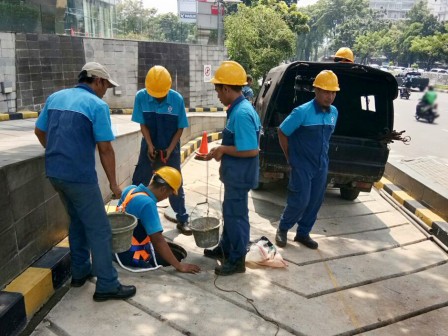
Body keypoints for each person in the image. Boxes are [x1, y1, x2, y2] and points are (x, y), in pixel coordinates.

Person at [34, 62, 136, 302]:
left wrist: (56, 152)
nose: (105, 92)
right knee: (99, 229)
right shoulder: (97, 105)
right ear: (97, 81)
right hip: (79, 177)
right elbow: (105, 149)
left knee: (77, 221)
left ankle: (80, 272)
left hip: (55, 174)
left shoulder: (55, 97)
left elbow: (39, 132)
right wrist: (113, 184)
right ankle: (107, 285)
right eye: (106, 87)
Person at [203, 61, 262, 276]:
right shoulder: (237, 109)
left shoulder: (242, 113)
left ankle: (237, 260)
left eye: (218, 89)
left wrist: (224, 150)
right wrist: (220, 150)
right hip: (234, 175)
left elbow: (251, 150)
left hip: (240, 176)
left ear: (227, 88)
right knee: (230, 213)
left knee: (236, 217)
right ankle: (225, 249)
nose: (217, 94)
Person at [275, 70, 340, 249]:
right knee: (300, 200)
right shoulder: (302, 112)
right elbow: (282, 131)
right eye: (326, 92)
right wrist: (289, 156)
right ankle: (282, 228)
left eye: (333, 92)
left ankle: (303, 233)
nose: (330, 96)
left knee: (315, 201)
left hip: (321, 165)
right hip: (302, 164)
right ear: (316, 90)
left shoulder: (334, 112)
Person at [131, 65, 191, 236]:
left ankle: (182, 218)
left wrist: (170, 150)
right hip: (148, 147)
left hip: (170, 147)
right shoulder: (141, 97)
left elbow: (180, 128)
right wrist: (150, 145)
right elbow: (143, 124)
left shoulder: (176, 99)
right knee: (139, 181)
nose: (158, 98)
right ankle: (133, 216)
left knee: (174, 183)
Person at [114, 167, 201, 274]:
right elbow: (158, 240)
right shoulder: (148, 204)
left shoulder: (130, 190)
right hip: (130, 257)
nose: (166, 197)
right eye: (168, 194)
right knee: (157, 267)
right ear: (163, 189)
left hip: (115, 250)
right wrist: (179, 265)